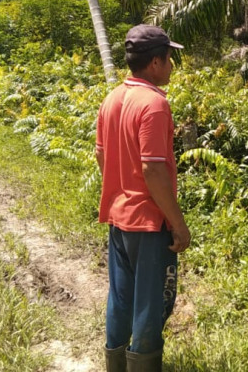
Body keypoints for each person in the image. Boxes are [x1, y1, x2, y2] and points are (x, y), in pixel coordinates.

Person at [95, 24, 191, 372]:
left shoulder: (112, 99)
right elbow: (153, 169)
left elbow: (101, 155)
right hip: (149, 223)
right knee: (151, 305)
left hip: (119, 218)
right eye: (169, 59)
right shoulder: (153, 104)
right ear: (155, 63)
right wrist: (178, 225)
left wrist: (121, 187)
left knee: (121, 299)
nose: (171, 67)